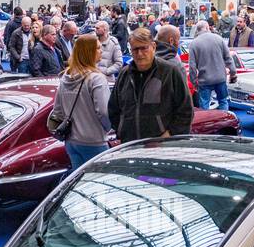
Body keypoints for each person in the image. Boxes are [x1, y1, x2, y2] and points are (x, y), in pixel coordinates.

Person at [109, 27, 192, 143]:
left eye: (144, 48)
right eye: (135, 49)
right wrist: (122, 131)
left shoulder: (170, 72)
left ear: (153, 46)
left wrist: (168, 135)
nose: (140, 53)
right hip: (130, 145)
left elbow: (185, 110)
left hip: (162, 147)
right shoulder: (124, 74)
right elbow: (113, 108)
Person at [48, 34, 113, 171]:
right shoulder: (96, 79)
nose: (101, 51)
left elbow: (57, 110)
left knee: (80, 182)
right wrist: (109, 128)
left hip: (71, 141)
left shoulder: (66, 77)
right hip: (94, 140)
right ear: (89, 52)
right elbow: (103, 111)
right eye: (98, 48)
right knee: (98, 183)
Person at [188, 21, 237, 110]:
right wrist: (233, 73)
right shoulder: (219, 39)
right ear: (207, 28)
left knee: (204, 105)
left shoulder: (194, 44)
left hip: (204, 80)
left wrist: (194, 81)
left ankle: (206, 123)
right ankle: (224, 121)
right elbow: (228, 58)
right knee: (223, 101)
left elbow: (192, 66)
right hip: (220, 78)